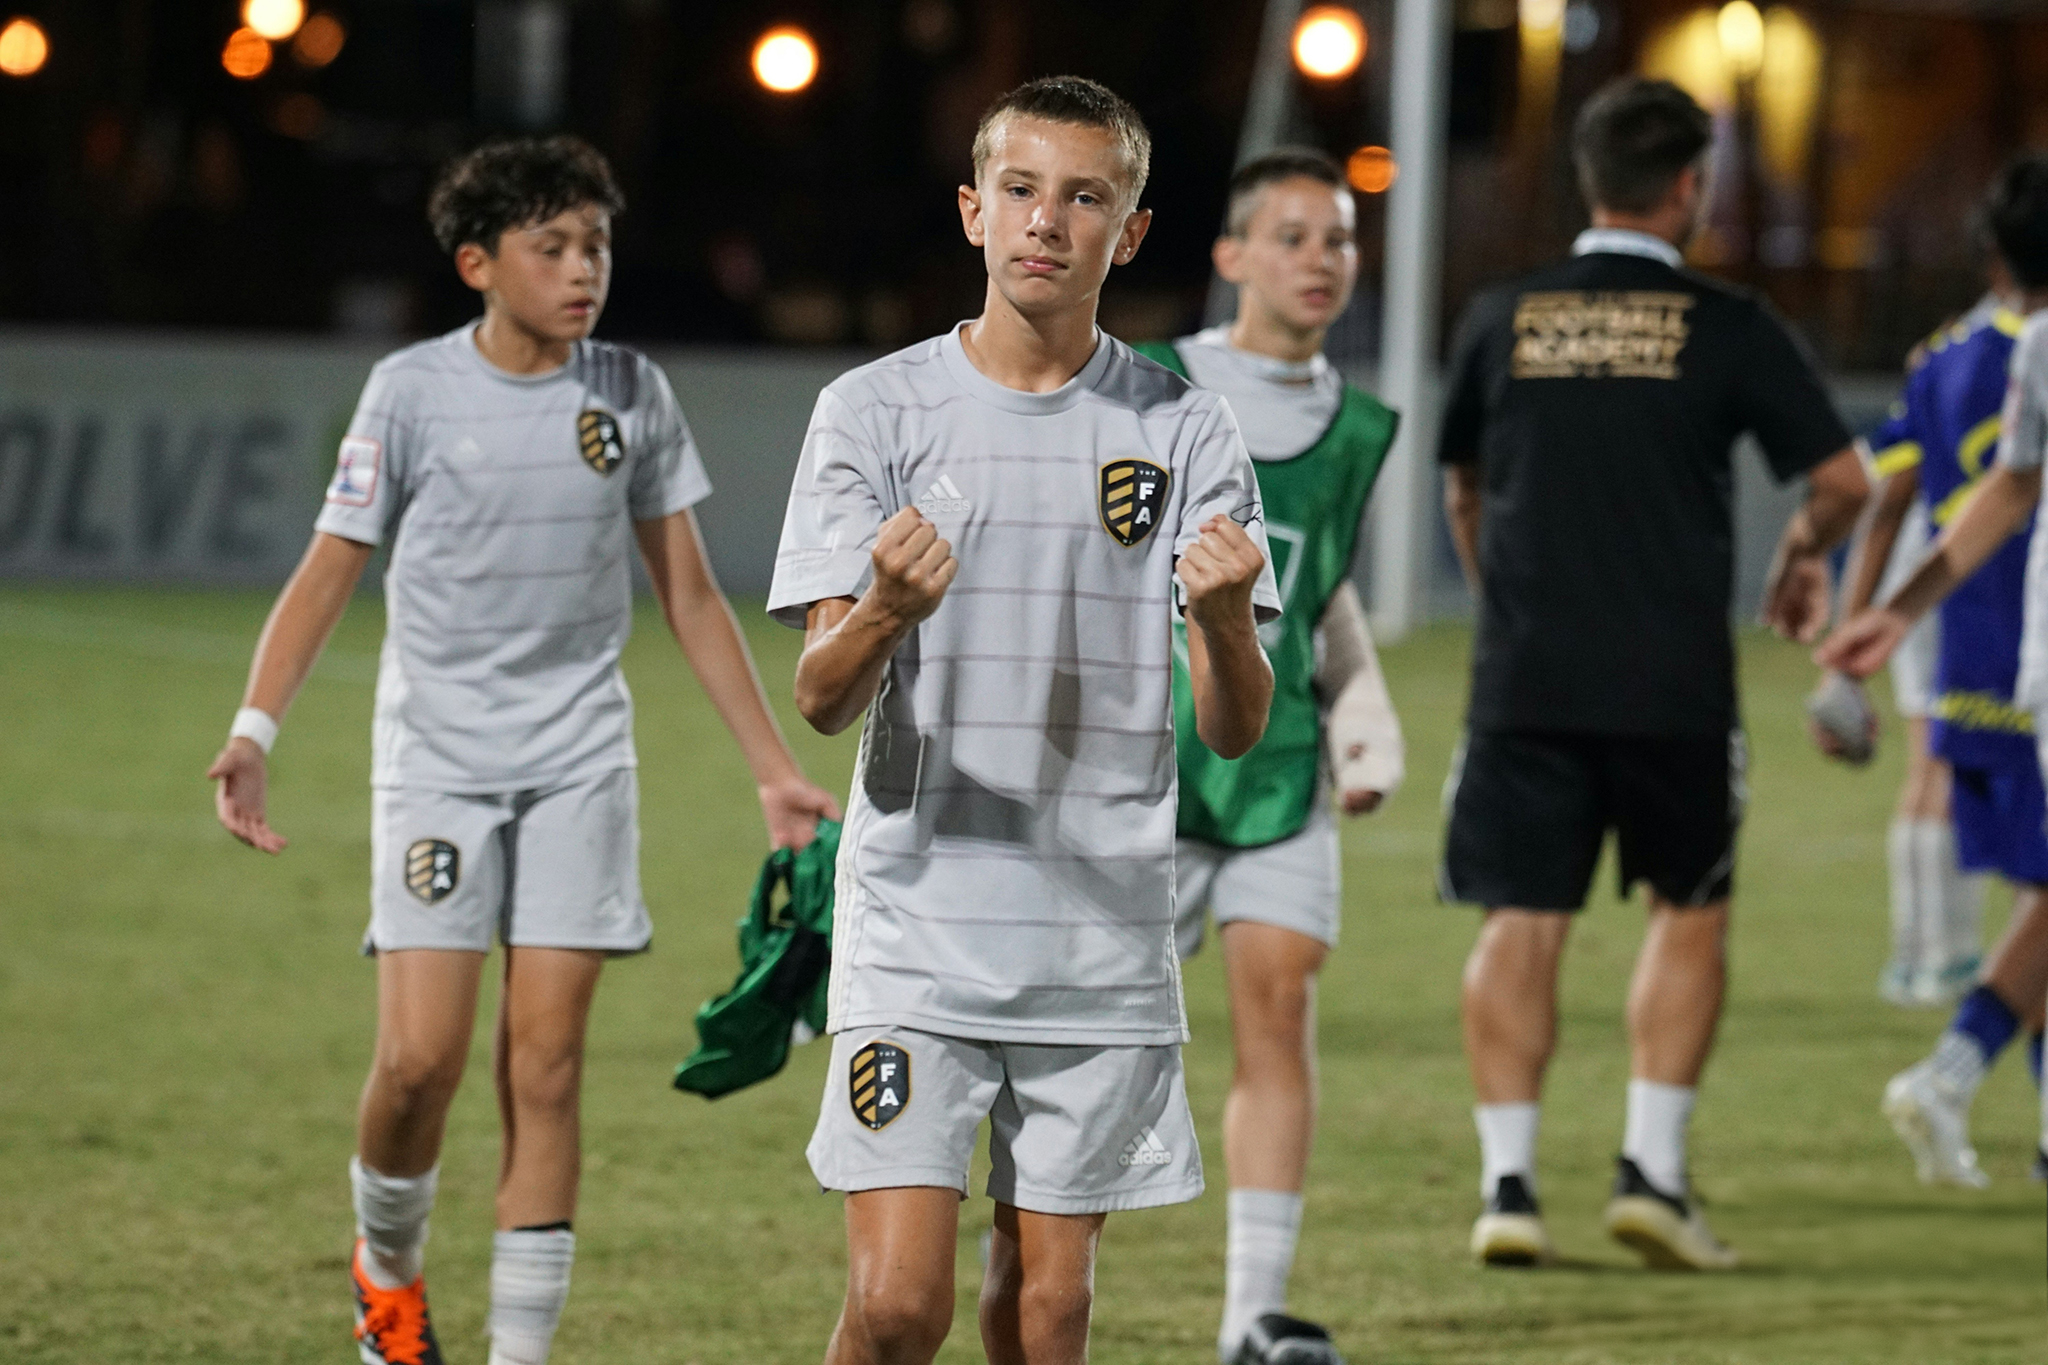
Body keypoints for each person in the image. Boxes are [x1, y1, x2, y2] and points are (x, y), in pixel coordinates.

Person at [207, 136, 839, 1365]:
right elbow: (328, 571)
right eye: (550, 248)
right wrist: (252, 731)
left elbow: (693, 598)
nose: (580, 269)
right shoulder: (409, 392)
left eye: (594, 245)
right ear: (476, 264)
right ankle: (385, 1274)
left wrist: (771, 765)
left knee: (546, 1064)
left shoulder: (629, 390)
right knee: (417, 1063)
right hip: (437, 764)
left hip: (579, 766)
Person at [767, 77, 1280, 1365]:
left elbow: (1231, 729)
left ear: (1131, 232)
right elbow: (821, 702)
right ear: (972, 212)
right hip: (918, 922)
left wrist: (1221, 623)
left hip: (1098, 934)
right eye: (1019, 189)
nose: (1045, 221)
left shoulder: (1183, 425)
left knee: (1047, 1315)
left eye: (1083, 197)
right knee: (896, 1309)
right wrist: (882, 610)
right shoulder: (873, 412)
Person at [1436, 77, 1867, 1271]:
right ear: (1688, 187)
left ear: (1588, 179)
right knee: (1688, 910)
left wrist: (1499, 602)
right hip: (1672, 681)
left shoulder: (1498, 316)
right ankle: (1650, 1175)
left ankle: (1507, 1187)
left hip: (1526, 676)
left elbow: (1461, 484)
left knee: (1520, 921)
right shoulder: (1725, 323)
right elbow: (1842, 483)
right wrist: (1795, 560)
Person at [1129, 149, 1400, 1365]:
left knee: (1277, 1013)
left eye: (1337, 240)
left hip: (1277, 765)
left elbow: (1323, 594)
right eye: (1291, 237)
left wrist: (1360, 715)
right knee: (1091, 1048)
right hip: (1140, 775)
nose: (1319, 261)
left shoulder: (1361, 427)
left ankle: (1249, 1320)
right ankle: (1018, 1283)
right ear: (1231, 255)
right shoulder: (1149, 386)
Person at [1819, 154, 2048, 1186]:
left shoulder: (2013, 344)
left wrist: (1888, 609)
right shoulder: (2026, 347)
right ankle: (1950, 1072)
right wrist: (1890, 610)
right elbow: (2005, 491)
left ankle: (1960, 1077)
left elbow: (1994, 491)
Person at [1830, 410, 1981, 1006]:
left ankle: (1915, 955)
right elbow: (1891, 494)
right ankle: (1950, 956)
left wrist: (1853, 618)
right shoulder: (1996, 357)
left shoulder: (1940, 360)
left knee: (1927, 766)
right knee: (1952, 763)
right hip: (1960, 566)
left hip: (1918, 565)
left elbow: (1887, 497)